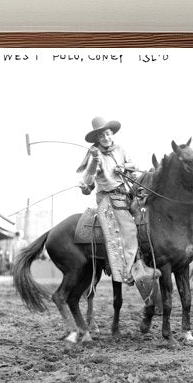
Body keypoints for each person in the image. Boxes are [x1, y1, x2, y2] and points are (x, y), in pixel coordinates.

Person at [78, 116, 154, 290]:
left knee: (145, 216)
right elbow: (89, 178)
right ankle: (127, 271)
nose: (106, 138)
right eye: (101, 136)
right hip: (108, 198)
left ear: (112, 133)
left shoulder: (120, 149)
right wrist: (95, 160)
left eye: (108, 134)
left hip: (125, 193)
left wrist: (124, 168)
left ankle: (146, 259)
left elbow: (132, 164)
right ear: (97, 138)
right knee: (128, 229)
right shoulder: (94, 155)